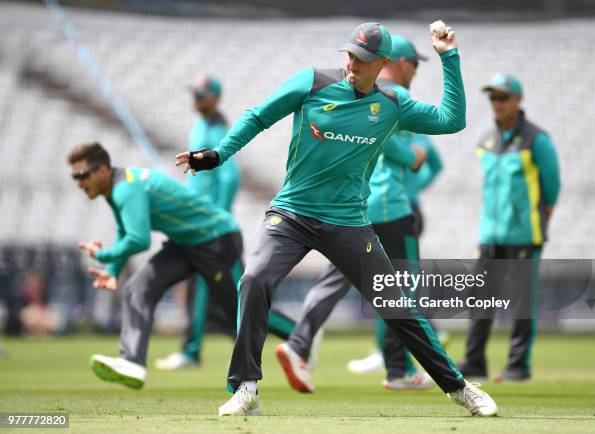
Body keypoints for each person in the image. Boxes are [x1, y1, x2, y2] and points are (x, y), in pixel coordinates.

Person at [177, 21, 497, 417]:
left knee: (397, 308)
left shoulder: (392, 103)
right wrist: (218, 154)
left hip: (349, 223)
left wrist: (449, 56)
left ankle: (459, 388)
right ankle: (245, 388)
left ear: (383, 62)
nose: (352, 64)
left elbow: (453, 119)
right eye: (349, 54)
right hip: (291, 214)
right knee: (254, 279)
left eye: (362, 59)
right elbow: (258, 116)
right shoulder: (311, 83)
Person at [273, 35, 442, 394]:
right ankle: (398, 368)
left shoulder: (356, 94)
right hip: (390, 208)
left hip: (351, 209)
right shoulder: (396, 97)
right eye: (414, 63)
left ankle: (299, 342)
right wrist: (411, 160)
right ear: (397, 62)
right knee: (399, 291)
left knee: (335, 280)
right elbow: (400, 145)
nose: (414, 70)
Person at [68, 142, 293, 389]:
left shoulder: (125, 189)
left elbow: (138, 239)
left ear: (101, 170)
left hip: (216, 238)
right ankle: (131, 361)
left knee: (238, 312)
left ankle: (301, 334)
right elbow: (125, 230)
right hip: (185, 243)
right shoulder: (119, 187)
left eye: (82, 175)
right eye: (74, 176)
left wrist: (104, 256)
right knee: (138, 288)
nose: (79, 182)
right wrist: (112, 271)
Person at [458, 73, 560, 383]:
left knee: (522, 302)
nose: (497, 104)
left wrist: (537, 224)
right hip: (489, 233)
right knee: (480, 300)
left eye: (503, 98)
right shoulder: (485, 140)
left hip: (524, 235)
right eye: (493, 98)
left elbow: (552, 188)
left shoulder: (537, 139)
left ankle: (518, 366)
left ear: (518, 99)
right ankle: (474, 362)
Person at [154, 74, 249, 371]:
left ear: (215, 98)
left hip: (209, 226)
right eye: (194, 93)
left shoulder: (217, 128)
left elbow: (230, 176)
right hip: (199, 221)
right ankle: (299, 335)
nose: (195, 99)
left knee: (219, 292)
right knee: (234, 294)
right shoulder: (201, 125)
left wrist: (217, 215)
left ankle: (192, 350)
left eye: (201, 95)